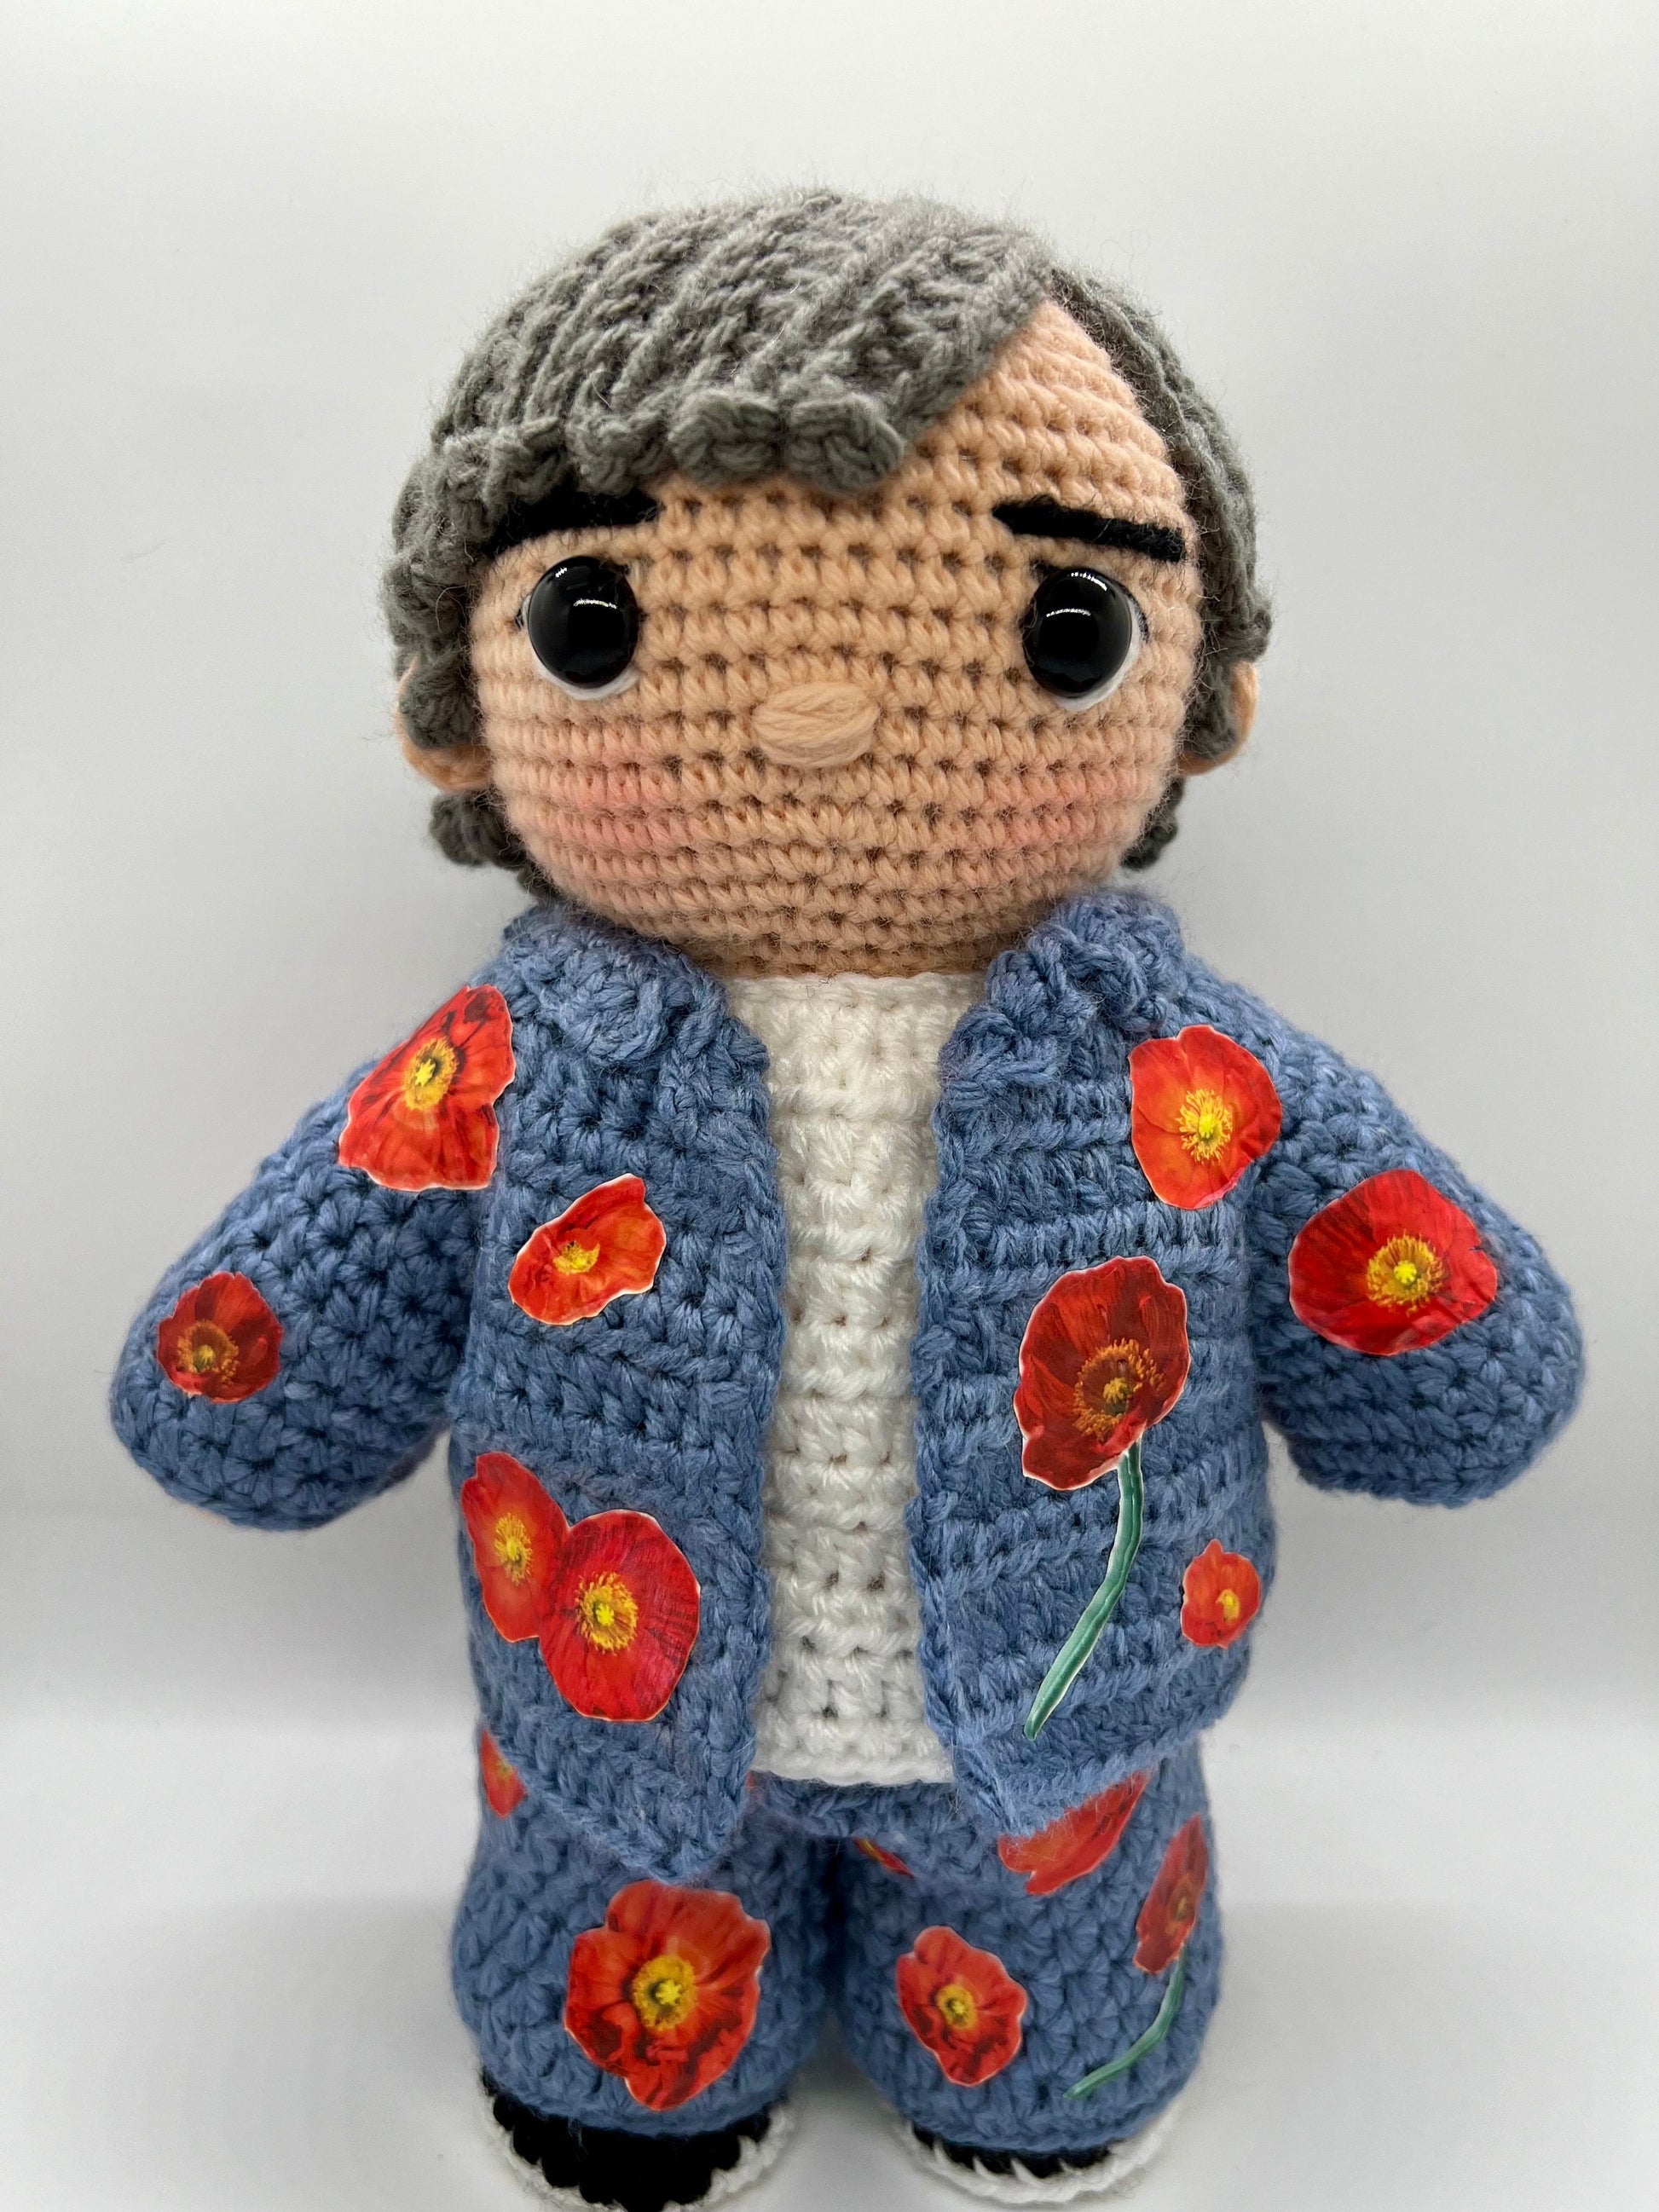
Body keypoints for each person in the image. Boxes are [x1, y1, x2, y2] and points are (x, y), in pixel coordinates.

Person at [112, 192, 1581, 2211]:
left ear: (1200, 694)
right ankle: (640, 2050)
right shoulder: (524, 1058)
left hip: (1063, 1729)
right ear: (460, 708)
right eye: (601, 622)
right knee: (612, 1982)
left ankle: (1044, 2041)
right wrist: (247, 1388)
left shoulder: (1177, 1067)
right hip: (617, 1711)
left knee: (1061, 2004)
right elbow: (303, 1298)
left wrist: (1456, 1365)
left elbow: (1432, 1321)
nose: (820, 713)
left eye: (1060, 626)